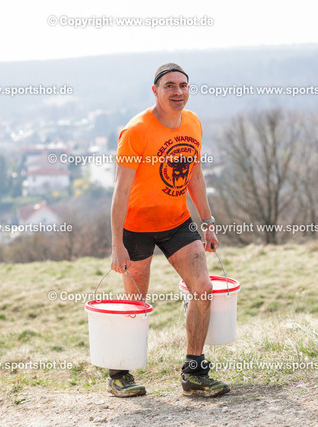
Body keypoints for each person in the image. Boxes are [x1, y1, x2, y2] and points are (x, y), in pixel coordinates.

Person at [108, 63, 229, 398]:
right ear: (155, 91)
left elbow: (195, 176)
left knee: (203, 288)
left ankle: (194, 372)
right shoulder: (136, 130)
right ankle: (119, 373)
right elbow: (120, 192)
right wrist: (117, 244)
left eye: (183, 85)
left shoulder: (193, 123)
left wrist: (207, 223)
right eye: (170, 86)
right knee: (136, 303)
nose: (178, 92)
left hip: (177, 222)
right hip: (137, 228)